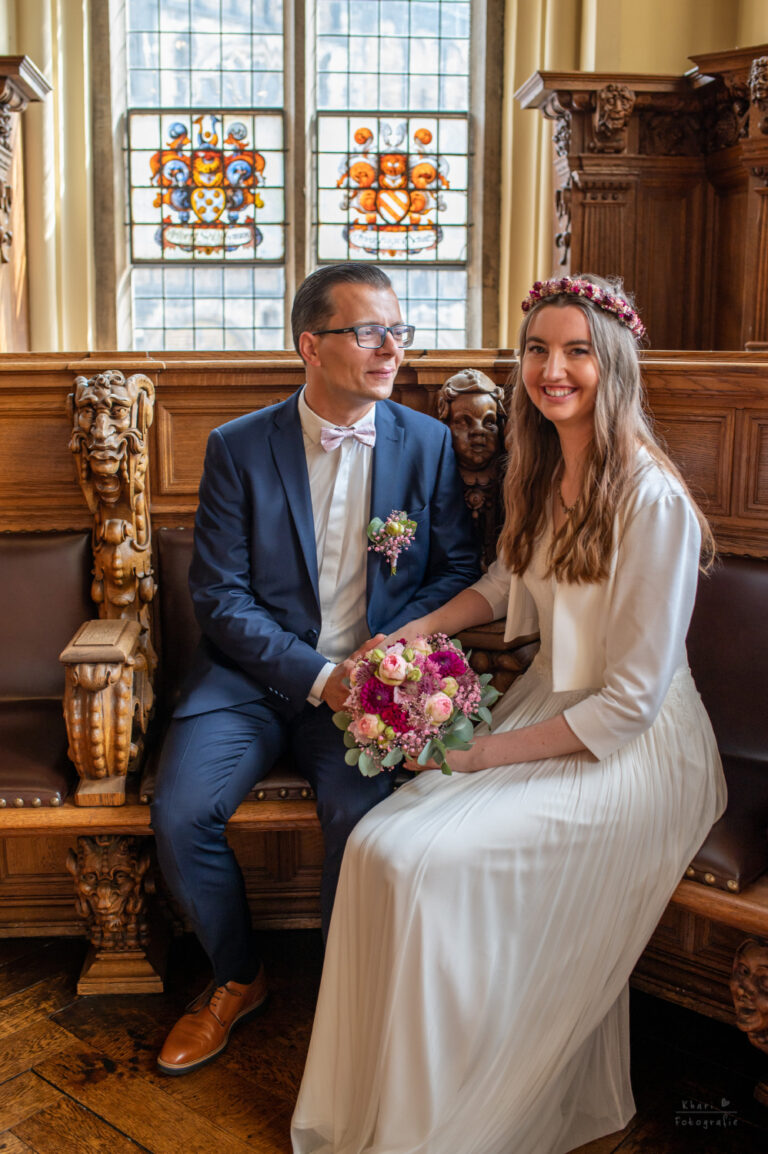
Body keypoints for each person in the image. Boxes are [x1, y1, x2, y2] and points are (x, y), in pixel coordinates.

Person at [291, 274, 727, 1154]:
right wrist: (411, 632)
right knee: (377, 846)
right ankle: (377, 1102)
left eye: (576, 352)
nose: (551, 370)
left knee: (421, 861)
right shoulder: (544, 471)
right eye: (537, 349)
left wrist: (476, 758)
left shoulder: (652, 502)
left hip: (632, 749)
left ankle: (452, 1110)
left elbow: (630, 704)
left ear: (613, 365)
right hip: (551, 707)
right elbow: (501, 584)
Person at [151, 262, 480, 1076]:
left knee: (362, 822)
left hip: (371, 689)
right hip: (247, 681)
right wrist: (316, 674)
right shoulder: (238, 447)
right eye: (369, 332)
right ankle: (236, 978)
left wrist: (380, 656)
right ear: (311, 344)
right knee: (181, 813)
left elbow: (453, 570)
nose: (391, 350)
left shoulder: (427, 443)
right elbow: (218, 595)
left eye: (398, 332)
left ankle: (347, 999)